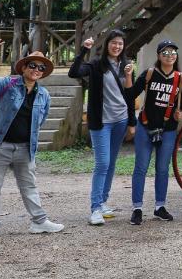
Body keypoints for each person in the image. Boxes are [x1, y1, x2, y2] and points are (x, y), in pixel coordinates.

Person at [0, 40, 65, 241]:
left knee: (29, 185)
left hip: (25, 148)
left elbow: (41, 120)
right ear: (24, 67)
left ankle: (39, 222)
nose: (36, 69)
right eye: (32, 65)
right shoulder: (7, 85)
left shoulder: (44, 95)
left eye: (41, 67)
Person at [70, 29, 135, 225]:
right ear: (107, 44)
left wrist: (132, 122)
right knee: (102, 164)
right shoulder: (96, 65)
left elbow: (129, 95)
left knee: (112, 163)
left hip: (120, 120)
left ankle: (103, 202)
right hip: (101, 121)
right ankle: (95, 208)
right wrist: (83, 50)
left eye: (120, 43)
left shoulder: (126, 65)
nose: (117, 46)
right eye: (114, 42)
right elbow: (74, 72)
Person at [124, 38, 182, 224]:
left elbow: (179, 105)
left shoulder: (181, 78)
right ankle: (137, 208)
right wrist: (129, 76)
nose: (169, 56)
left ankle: (160, 206)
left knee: (162, 169)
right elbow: (130, 95)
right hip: (145, 126)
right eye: (165, 53)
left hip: (168, 130)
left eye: (173, 53)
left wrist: (178, 114)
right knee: (141, 167)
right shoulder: (149, 74)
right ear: (159, 56)